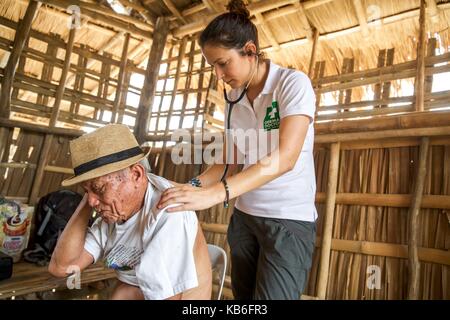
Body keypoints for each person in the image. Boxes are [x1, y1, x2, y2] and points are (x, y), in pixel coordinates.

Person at [157, 0, 317, 300]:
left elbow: (286, 158)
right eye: (212, 66)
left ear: (250, 51)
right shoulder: (234, 100)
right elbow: (227, 163)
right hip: (244, 218)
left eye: (222, 63)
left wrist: (218, 193)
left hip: (287, 220)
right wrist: (189, 188)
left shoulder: (292, 85)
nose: (218, 75)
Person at [48, 124, 212, 300]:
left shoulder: (170, 210)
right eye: (86, 191)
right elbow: (61, 267)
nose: (92, 201)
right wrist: (91, 193)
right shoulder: (112, 213)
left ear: (136, 175)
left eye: (100, 188)